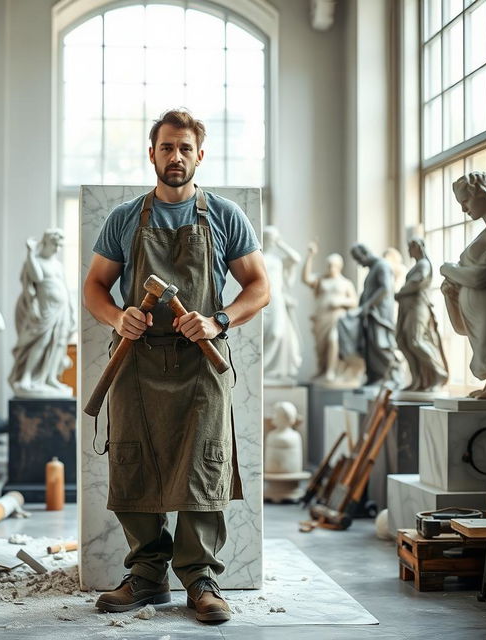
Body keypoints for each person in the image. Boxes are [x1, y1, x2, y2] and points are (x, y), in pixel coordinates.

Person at [83, 109, 269, 623]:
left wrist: (218, 321)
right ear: (153, 153)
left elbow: (260, 287)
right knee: (133, 461)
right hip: (136, 364)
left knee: (202, 469)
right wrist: (119, 317)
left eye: (185, 148)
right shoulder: (125, 218)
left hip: (201, 365)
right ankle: (145, 576)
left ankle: (200, 580)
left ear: (199, 155)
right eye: (167, 147)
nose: (176, 157)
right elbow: (94, 288)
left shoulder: (225, 216)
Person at [441, 170, 486, 398]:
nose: (463, 209)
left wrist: (447, 269)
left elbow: (480, 277)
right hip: (479, 318)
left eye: (465, 201)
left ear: (482, 194)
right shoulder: (483, 235)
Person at [8, 229, 76, 397]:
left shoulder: (58, 265)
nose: (57, 248)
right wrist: (30, 253)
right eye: (55, 244)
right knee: (41, 340)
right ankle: (27, 377)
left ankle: (50, 378)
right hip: (46, 308)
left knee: (59, 344)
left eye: (60, 245)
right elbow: (36, 278)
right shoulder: (35, 261)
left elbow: (66, 289)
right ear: (45, 242)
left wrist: (73, 309)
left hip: (62, 309)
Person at [338, 243, 401, 386]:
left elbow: (385, 289)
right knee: (370, 346)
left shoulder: (382, 266)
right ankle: (377, 377)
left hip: (380, 314)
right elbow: (368, 292)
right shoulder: (373, 269)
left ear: (365, 253)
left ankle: (392, 375)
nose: (359, 263)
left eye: (359, 259)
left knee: (380, 344)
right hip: (370, 314)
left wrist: (367, 305)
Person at [301, 241, 359, 383]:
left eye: (333, 265)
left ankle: (331, 372)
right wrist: (310, 256)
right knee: (321, 349)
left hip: (338, 318)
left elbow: (354, 301)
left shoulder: (345, 283)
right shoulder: (321, 280)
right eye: (328, 265)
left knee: (334, 340)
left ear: (339, 266)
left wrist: (340, 302)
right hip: (322, 319)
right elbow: (306, 279)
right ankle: (322, 369)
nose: (330, 268)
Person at [395, 237, 448, 392]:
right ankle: (418, 379)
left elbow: (419, 281)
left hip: (418, 307)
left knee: (415, 340)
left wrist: (401, 292)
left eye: (410, 247)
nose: (408, 250)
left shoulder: (423, 264)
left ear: (417, 247)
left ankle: (439, 374)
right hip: (409, 307)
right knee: (402, 341)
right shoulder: (417, 265)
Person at [262, 226, 302, 385]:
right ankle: (262, 371)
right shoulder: (259, 257)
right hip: (263, 298)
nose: (271, 241)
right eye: (269, 238)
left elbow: (296, 258)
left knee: (277, 333)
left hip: (277, 299)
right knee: (264, 334)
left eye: (273, 239)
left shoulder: (277, 260)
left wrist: (280, 244)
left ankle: (270, 371)